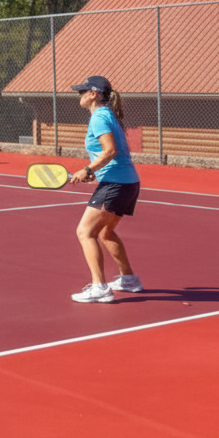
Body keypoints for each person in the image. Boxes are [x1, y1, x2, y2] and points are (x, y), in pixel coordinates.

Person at [67, 75, 143, 304]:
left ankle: (99, 287)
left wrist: (88, 170)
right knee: (105, 232)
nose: (79, 95)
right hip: (127, 182)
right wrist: (94, 173)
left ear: (94, 94)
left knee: (85, 232)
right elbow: (113, 156)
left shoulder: (99, 117)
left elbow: (110, 151)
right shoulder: (107, 115)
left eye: (82, 91)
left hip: (117, 183)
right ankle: (129, 280)